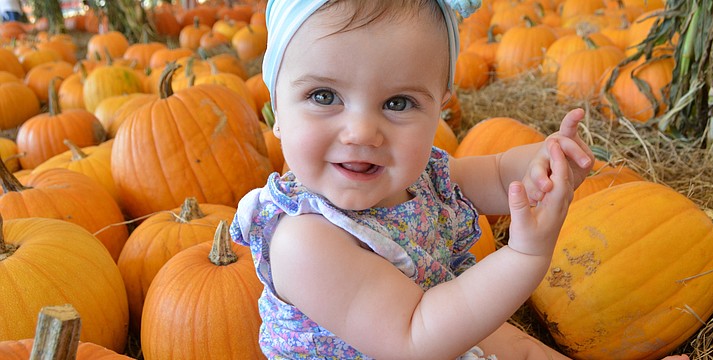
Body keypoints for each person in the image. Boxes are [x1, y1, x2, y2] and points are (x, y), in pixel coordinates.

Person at [230, 0, 688, 359]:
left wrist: (543, 166)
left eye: (399, 103)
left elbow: (490, 174)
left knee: (519, 348)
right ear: (276, 111)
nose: (362, 132)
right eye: (324, 95)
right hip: (414, 341)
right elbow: (414, 336)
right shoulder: (304, 241)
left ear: (440, 108)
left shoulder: (421, 173)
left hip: (443, 328)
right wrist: (525, 256)